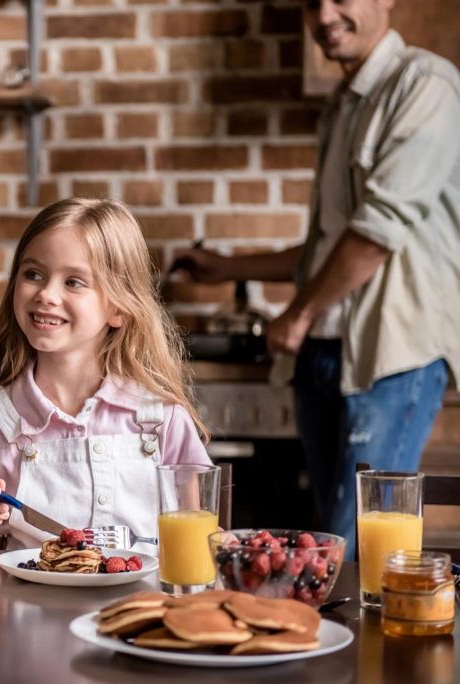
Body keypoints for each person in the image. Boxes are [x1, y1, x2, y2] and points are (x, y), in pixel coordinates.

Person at [173, 0, 460, 557]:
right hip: (325, 352)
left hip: (389, 357)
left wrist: (298, 313)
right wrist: (229, 268)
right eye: (311, 3)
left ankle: (352, 646)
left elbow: (377, 232)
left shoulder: (427, 87)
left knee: (353, 542)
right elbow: (327, 249)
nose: (324, 15)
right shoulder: (343, 106)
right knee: (328, 533)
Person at [0, 198, 212, 552]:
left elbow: (200, 551)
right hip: (26, 608)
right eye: (33, 274)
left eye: (73, 282)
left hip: (142, 607)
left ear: (119, 308)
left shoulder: (164, 422)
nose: (46, 294)